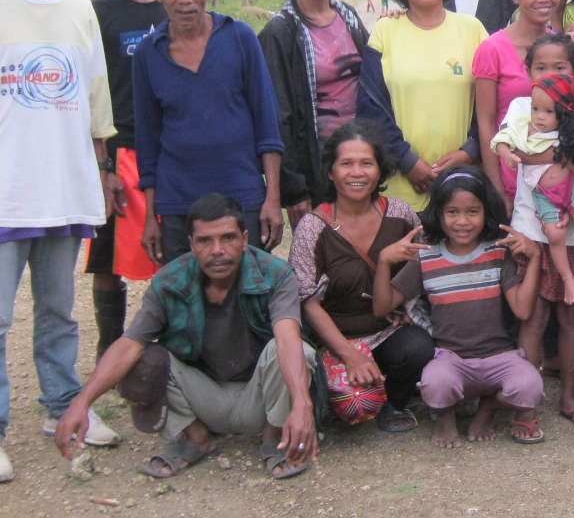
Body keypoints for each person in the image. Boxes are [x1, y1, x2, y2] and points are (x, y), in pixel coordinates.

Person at [53, 194, 319, 479]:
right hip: (201, 396)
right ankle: (195, 437)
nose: (217, 250)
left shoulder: (275, 274)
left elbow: (288, 338)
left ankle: (276, 437)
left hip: (261, 396)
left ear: (244, 239)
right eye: (205, 241)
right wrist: (81, 402)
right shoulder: (170, 280)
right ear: (191, 243)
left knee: (299, 352)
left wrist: (303, 403)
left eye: (228, 238)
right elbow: (129, 344)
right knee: (143, 361)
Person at [1, 0, 121, 483]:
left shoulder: (79, 7)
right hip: (7, 187)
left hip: (65, 183)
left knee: (57, 310)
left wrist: (102, 169)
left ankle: (61, 408)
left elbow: (97, 93)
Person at [133, 0, 285, 264]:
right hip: (178, 203)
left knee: (248, 294)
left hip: (242, 195)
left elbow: (267, 125)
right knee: (185, 300)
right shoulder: (148, 53)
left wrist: (272, 198)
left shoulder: (240, 38)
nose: (185, 0)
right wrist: (150, 216)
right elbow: (147, 141)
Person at [373, 167, 544, 447]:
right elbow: (382, 307)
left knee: (530, 388)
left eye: (472, 212)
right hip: (450, 359)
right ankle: (446, 416)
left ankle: (488, 406)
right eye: (452, 212)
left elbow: (523, 310)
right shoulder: (426, 255)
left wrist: (535, 257)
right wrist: (383, 262)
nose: (462, 222)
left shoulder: (497, 251)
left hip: (499, 357)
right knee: (434, 384)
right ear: (438, 214)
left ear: (486, 213)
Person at [287, 120, 435, 432]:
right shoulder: (313, 228)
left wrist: (410, 308)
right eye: (347, 164)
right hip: (335, 340)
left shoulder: (399, 214)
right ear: (330, 172)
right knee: (351, 406)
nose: (357, 173)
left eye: (367, 163)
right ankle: (349, 389)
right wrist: (349, 355)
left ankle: (394, 402)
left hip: (387, 331)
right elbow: (308, 303)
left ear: (380, 170)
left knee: (419, 348)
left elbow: (424, 265)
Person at [502, 34, 574, 429]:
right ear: (527, 71)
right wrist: (556, 154)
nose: (548, 74)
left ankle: (568, 395)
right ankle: (525, 406)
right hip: (530, 225)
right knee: (531, 318)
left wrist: (539, 156)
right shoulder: (520, 107)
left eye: (559, 67)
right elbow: (513, 149)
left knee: (570, 317)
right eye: (540, 67)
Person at [86, 0, 167, 360]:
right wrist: (101, 164)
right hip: (120, 152)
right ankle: (109, 350)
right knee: (108, 259)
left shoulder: (175, 3)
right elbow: (91, 91)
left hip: (171, 148)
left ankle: (167, 342)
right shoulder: (98, 15)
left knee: (172, 253)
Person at [359, 0, 486, 211]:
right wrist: (407, 161)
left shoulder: (472, 30)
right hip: (400, 188)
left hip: (461, 186)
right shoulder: (385, 31)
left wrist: (470, 151)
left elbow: (491, 101)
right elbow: (371, 108)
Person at [259, 0, 370, 228]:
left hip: (360, 159)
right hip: (316, 168)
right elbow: (278, 114)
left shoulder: (348, 16)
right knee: (324, 258)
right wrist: (294, 187)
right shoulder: (281, 33)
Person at [493, 73, 574, 305]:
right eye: (535, 109)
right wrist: (506, 153)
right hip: (544, 195)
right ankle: (568, 279)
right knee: (555, 235)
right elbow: (503, 139)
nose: (539, 117)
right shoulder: (524, 126)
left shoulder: (572, 133)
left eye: (548, 112)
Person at [475, 0, 562, 209]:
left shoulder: (561, 47)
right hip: (512, 172)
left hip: (556, 173)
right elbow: (486, 121)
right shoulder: (492, 49)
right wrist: (496, 187)